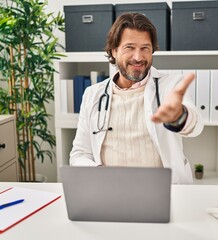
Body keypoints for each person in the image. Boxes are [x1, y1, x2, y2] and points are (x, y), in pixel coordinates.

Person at [69, 12, 204, 184]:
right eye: (130, 47)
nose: (138, 57)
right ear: (114, 51)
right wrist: (99, 173)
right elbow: (79, 154)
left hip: (164, 191)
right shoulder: (92, 94)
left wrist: (179, 116)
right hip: (111, 191)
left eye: (145, 48)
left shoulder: (171, 85)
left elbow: (196, 126)